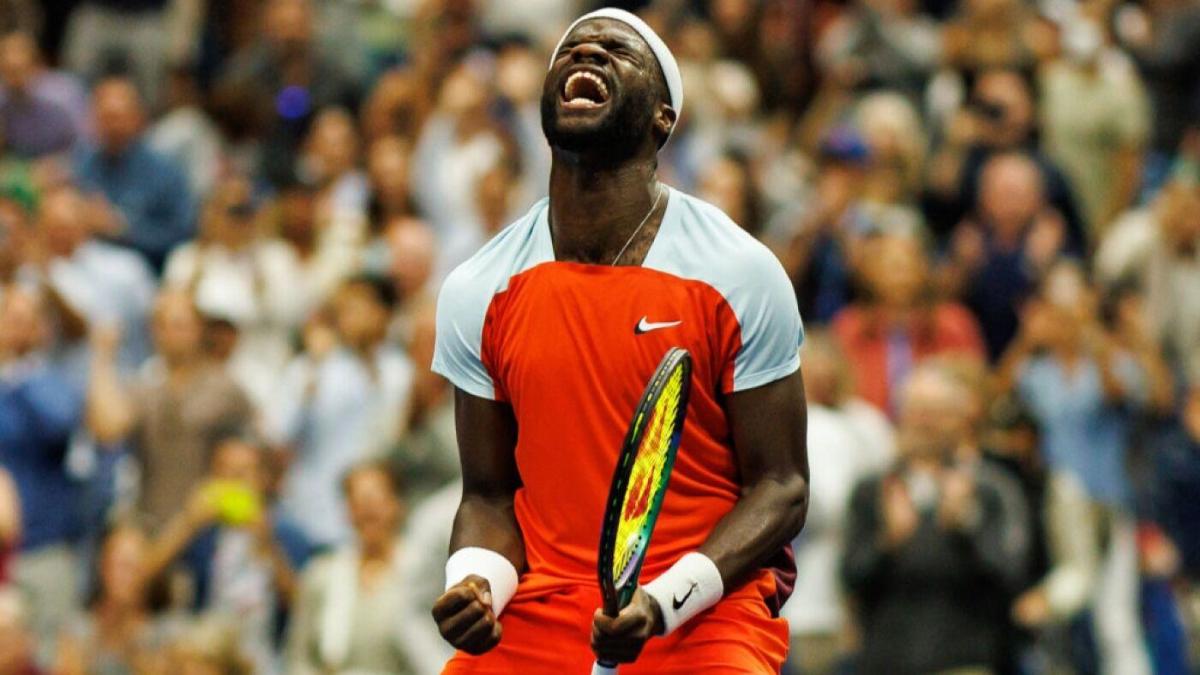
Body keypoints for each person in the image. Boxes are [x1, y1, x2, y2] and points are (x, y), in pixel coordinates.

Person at [431, 9, 808, 673]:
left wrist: (661, 602)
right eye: (572, 49)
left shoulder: (739, 272)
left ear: (663, 116)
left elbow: (780, 486)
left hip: (703, 615)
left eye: (616, 51)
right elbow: (488, 494)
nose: (588, 54)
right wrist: (477, 583)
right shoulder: (478, 286)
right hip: (542, 610)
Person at [996, 263, 1170, 675]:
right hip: (1058, 500)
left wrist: (1097, 342)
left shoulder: (1109, 363)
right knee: (1068, 616)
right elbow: (997, 399)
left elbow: (1128, 396)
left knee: (1115, 616)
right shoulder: (1039, 372)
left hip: (1110, 499)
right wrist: (1027, 337)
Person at [841, 363, 1030, 675]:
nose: (924, 423)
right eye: (916, 411)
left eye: (936, 413)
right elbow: (850, 576)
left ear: (960, 420)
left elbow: (1010, 578)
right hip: (886, 660)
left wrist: (966, 525)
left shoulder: (990, 489)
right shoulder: (873, 489)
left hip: (964, 659)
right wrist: (889, 542)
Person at [86, 290, 253, 531]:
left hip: (208, 526)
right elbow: (108, 428)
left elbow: (251, 453)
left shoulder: (224, 388)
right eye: (161, 325)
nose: (170, 334)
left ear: (199, 329)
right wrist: (102, 358)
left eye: (180, 325)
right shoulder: (146, 385)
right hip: (152, 519)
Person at [265, 275, 414, 547]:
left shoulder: (400, 371)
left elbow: (399, 439)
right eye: (343, 309)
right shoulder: (312, 366)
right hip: (312, 517)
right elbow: (277, 433)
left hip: (377, 522)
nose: (350, 317)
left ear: (384, 314)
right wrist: (313, 372)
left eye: (359, 307)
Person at [145, 437, 311, 674]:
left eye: (242, 473)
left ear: (262, 479)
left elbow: (302, 605)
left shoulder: (286, 532)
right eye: (225, 473)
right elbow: (144, 574)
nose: (233, 482)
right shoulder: (202, 531)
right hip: (206, 656)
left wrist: (268, 546)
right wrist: (186, 525)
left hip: (263, 659)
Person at [0, 288, 85, 655]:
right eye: (10, 316)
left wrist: (15, 373)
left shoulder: (48, 381)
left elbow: (60, 423)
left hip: (41, 547)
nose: (17, 326)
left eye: (27, 319)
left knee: (46, 655)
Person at [832, 233, 986, 414]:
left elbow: (977, 389)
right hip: (868, 428)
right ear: (867, 273)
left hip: (940, 426)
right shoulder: (850, 326)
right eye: (891, 265)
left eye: (908, 263)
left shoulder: (953, 323)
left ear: (925, 268)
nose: (901, 273)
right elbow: (839, 391)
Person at [286, 461, 415, 674]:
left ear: (398, 505)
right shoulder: (321, 574)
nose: (367, 509)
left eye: (376, 500)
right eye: (357, 502)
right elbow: (298, 657)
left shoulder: (420, 574)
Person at [72, 76, 196, 273]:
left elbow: (183, 236)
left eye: (118, 117)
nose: (112, 126)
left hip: (143, 271)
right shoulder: (81, 164)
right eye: (104, 117)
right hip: (84, 268)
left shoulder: (166, 173)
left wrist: (123, 230)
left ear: (138, 118)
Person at [55, 523, 169, 675]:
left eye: (135, 566)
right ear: (103, 567)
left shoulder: (164, 635)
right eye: (121, 565)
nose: (127, 576)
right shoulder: (77, 630)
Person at [0, 32, 77, 158]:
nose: (14, 79)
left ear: (36, 67)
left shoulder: (61, 100)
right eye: (7, 70)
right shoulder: (2, 104)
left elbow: (78, 150)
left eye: (19, 70)